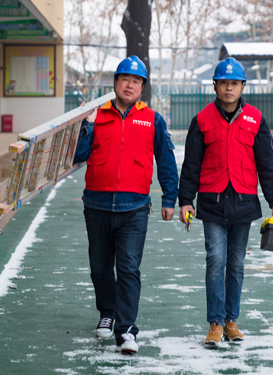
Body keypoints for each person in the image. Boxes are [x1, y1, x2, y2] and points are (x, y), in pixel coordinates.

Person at [73, 56, 179, 354]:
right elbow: (78, 155)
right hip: (96, 204)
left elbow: (166, 161)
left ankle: (127, 329)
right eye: (124, 79)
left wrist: (170, 198)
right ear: (115, 83)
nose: (130, 85)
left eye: (136, 81)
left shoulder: (153, 120)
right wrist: (87, 126)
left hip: (134, 208)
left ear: (142, 87)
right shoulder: (96, 116)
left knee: (129, 268)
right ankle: (107, 313)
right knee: (100, 266)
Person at [178, 57, 273, 348]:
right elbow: (191, 165)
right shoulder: (201, 121)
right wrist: (185, 200)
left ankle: (230, 321)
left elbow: (267, 163)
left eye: (234, 83)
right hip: (211, 203)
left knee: (236, 264)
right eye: (223, 83)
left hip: (244, 201)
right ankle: (214, 323)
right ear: (215, 85)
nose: (228, 88)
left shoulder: (255, 119)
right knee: (216, 261)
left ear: (242, 87)